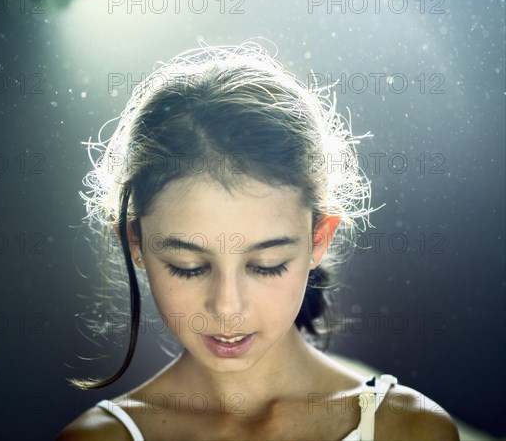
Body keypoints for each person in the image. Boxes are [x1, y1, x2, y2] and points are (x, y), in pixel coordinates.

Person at [57, 41, 459, 440]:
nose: (227, 306)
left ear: (318, 238)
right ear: (135, 244)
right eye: (188, 267)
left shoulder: (408, 430)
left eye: (267, 265)